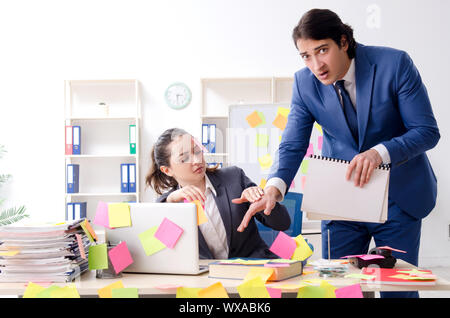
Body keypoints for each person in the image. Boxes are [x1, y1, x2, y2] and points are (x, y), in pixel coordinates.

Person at [236, 9, 439, 298]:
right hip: (340, 200)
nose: (316, 65)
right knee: (339, 290)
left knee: (398, 291)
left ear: (343, 41)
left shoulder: (394, 64)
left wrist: (379, 153)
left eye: (322, 50)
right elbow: (293, 143)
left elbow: (426, 131)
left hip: (398, 198)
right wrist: (274, 187)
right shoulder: (305, 83)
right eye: (306, 56)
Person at [145, 128, 291, 260]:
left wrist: (261, 201)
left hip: (251, 273)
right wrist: (172, 202)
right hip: (205, 282)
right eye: (184, 158)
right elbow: (157, 252)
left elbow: (283, 223)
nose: (197, 160)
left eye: (197, 151)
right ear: (167, 170)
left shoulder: (234, 178)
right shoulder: (170, 203)